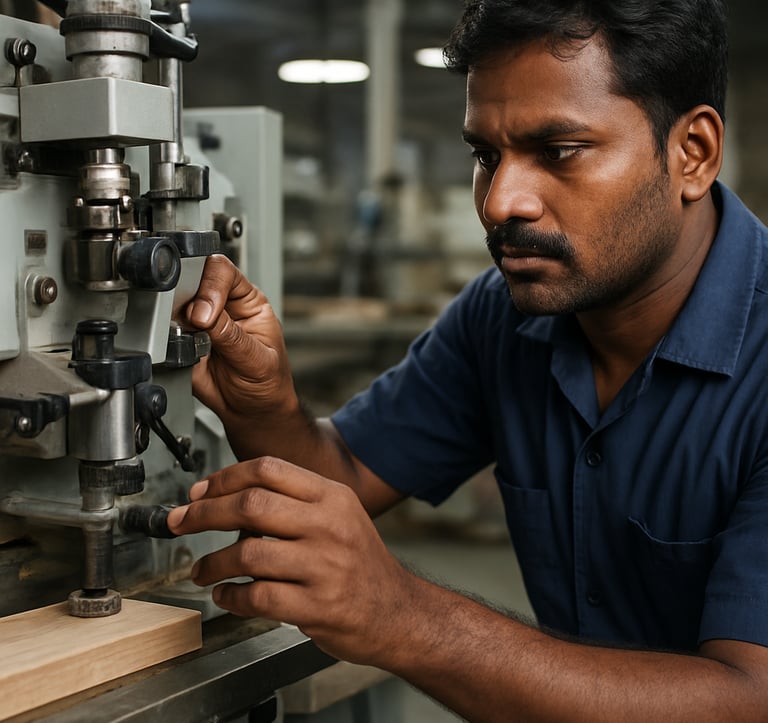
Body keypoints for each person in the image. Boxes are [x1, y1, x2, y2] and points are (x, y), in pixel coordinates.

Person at [167, 0, 768, 719]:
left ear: (692, 153)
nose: (501, 201)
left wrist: (404, 615)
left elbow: (747, 697)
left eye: (559, 151)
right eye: (486, 156)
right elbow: (343, 477)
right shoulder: (504, 316)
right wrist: (265, 404)